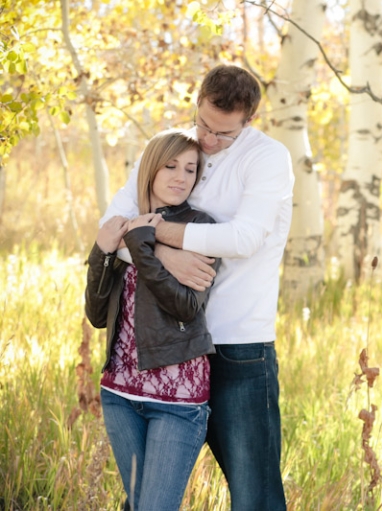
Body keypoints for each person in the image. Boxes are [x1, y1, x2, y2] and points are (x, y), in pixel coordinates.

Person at [101, 65, 294, 510]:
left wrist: (152, 233)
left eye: (223, 133)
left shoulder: (266, 158)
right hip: (168, 345)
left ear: (249, 121)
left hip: (236, 344)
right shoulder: (173, 148)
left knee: (255, 494)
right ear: (197, 101)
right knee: (146, 499)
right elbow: (110, 227)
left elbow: (243, 239)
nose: (208, 140)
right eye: (203, 123)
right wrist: (160, 253)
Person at [85, 129, 220, 510]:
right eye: (171, 166)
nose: (181, 177)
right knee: (137, 503)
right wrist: (102, 252)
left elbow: (187, 308)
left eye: (191, 169)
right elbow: (97, 315)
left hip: (178, 400)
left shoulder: (201, 227)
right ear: (150, 169)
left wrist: (144, 248)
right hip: (119, 393)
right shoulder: (123, 223)